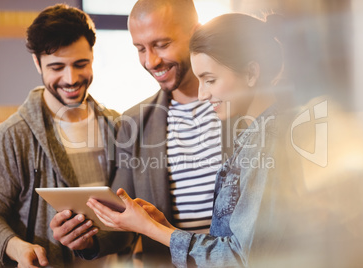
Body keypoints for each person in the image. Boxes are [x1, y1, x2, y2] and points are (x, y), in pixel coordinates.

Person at [87, 13, 289, 267]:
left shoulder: (267, 139)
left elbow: (240, 257)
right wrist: (160, 226)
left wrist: (153, 230)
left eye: (210, 80)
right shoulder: (135, 123)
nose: (203, 94)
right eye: (140, 49)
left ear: (251, 73)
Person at [51, 0, 232, 266]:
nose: (151, 61)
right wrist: (87, 239)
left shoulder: (239, 108)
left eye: (162, 44)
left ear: (195, 33)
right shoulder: (134, 124)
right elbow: (122, 215)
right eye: (140, 48)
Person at [0, 4, 134, 267]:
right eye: (57, 67)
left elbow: (129, 215)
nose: (71, 79)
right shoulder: (12, 136)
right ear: (37, 62)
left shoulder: (118, 126)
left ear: (93, 55)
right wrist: (16, 247)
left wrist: (91, 243)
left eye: (81, 64)